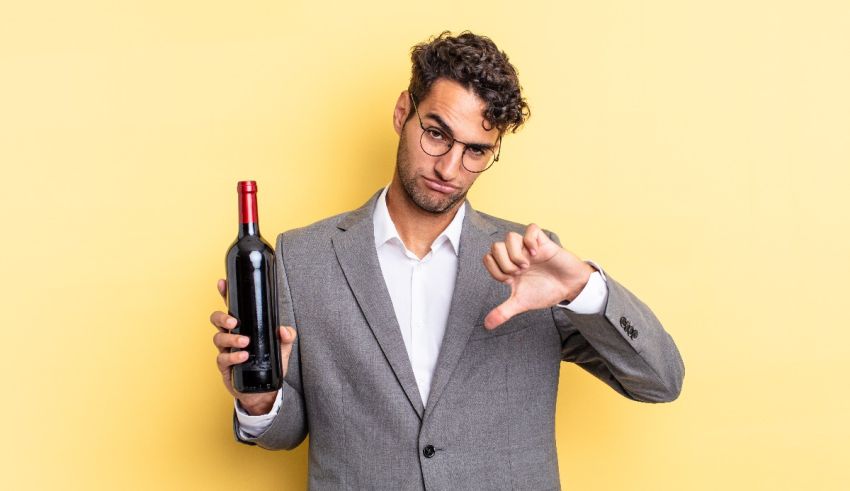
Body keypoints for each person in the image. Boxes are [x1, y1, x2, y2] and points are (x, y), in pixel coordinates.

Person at [210, 31, 684, 490]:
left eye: (476, 151)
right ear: (403, 113)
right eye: (436, 134)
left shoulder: (531, 263)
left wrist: (584, 288)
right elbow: (289, 431)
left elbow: (659, 381)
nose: (449, 168)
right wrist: (261, 402)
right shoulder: (303, 257)